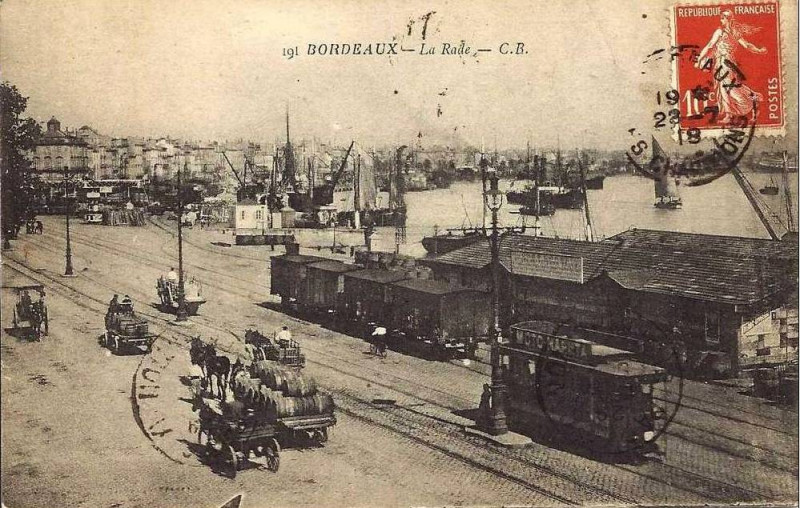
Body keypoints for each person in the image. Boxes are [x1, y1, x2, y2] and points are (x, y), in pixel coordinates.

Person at [694, 10, 768, 123]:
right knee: (730, 86)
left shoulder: (720, 31)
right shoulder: (734, 32)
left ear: (727, 19)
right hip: (728, 62)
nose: (721, 20)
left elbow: (710, 46)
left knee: (727, 87)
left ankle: (742, 107)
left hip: (723, 62)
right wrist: (758, 50)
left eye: (722, 18)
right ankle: (750, 100)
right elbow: (747, 45)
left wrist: (699, 59)